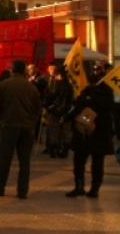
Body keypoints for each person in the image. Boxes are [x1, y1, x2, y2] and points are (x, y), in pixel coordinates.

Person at [0, 60, 42, 199]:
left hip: (8, 126)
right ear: (24, 71)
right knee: (25, 161)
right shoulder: (32, 87)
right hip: (27, 127)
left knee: (4, 159)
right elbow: (38, 109)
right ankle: (22, 191)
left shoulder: (4, 85)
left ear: (12, 70)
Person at [65, 70, 115, 198]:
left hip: (84, 132)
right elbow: (111, 110)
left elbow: (77, 108)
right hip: (101, 132)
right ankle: (95, 189)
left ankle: (79, 186)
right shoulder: (108, 93)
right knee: (97, 163)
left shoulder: (87, 92)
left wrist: (66, 117)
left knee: (79, 161)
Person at [42, 63, 73, 158]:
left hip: (55, 112)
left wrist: (47, 105)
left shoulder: (56, 85)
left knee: (54, 131)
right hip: (66, 112)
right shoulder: (69, 86)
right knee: (65, 132)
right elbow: (71, 99)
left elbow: (51, 97)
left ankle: (54, 150)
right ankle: (64, 151)